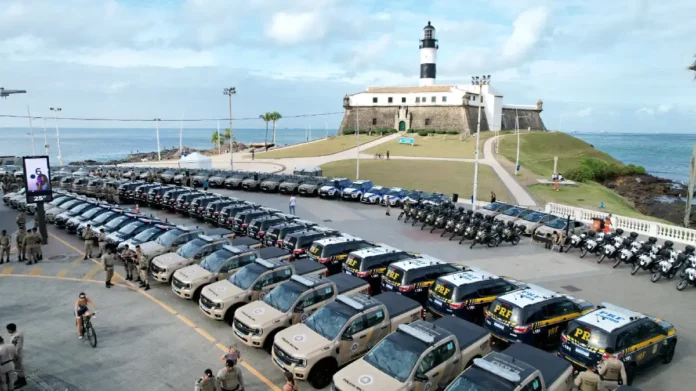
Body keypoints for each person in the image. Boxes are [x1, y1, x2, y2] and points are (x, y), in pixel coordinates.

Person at [6, 324, 25, 389]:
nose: (7, 331)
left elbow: (17, 347)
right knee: (17, 368)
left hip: (17, 354)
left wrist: (14, 355)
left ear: (10, 329)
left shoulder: (16, 336)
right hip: (16, 354)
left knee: (20, 368)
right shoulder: (17, 332)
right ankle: (19, 379)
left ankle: (22, 382)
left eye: (8, 329)